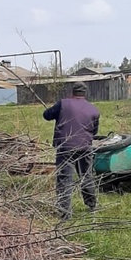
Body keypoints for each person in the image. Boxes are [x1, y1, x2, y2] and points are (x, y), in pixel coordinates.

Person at [42, 82, 100, 219]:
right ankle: (92, 205)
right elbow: (94, 131)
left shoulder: (63, 103)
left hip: (65, 147)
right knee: (86, 175)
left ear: (72, 92)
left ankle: (65, 213)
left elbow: (47, 115)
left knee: (64, 179)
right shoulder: (94, 110)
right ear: (85, 94)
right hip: (85, 147)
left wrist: (53, 111)